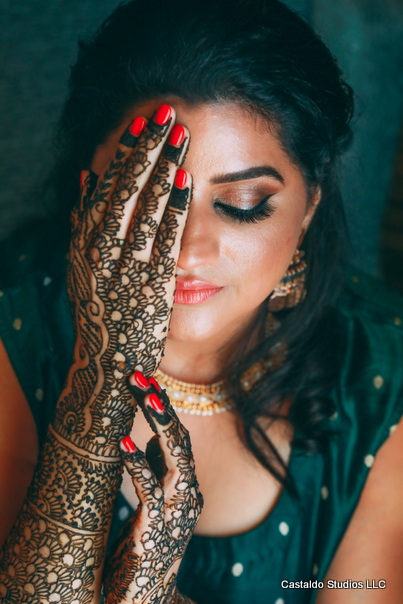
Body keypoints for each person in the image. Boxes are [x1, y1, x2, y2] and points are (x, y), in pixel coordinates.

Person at [0, 0, 402, 602]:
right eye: (151, 200)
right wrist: (103, 380)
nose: (186, 251)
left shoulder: (380, 372)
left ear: (310, 204)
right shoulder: (18, 318)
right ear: (91, 187)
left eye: (241, 204)